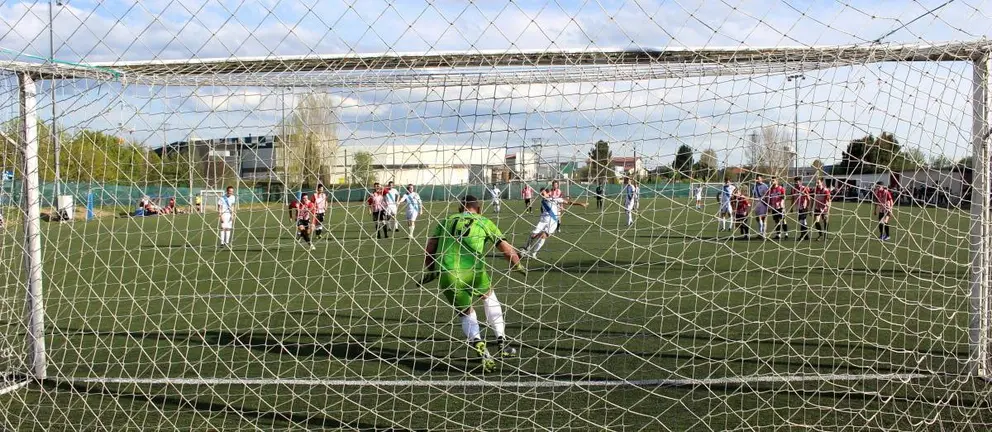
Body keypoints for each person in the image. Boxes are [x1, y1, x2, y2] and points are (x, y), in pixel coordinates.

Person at [420, 195, 525, 372]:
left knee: (465, 312)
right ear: (479, 208)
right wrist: (517, 265)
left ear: (460, 208)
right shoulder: (484, 221)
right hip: (473, 272)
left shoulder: (446, 221)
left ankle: (479, 344)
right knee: (489, 296)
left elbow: (429, 249)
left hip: (447, 275)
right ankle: (502, 341)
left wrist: (431, 270)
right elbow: (505, 248)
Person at [520, 188, 587, 259]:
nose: (541, 195)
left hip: (552, 222)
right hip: (543, 221)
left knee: (543, 236)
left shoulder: (555, 199)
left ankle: (533, 254)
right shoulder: (543, 201)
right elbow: (543, 209)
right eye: (540, 194)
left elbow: (568, 202)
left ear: (548, 193)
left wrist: (581, 204)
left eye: (543, 194)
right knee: (533, 234)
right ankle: (527, 249)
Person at [791, 177, 813, 241]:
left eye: (797, 182)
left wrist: (807, 206)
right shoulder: (794, 189)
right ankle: (806, 236)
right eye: (795, 182)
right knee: (803, 221)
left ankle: (802, 235)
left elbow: (809, 198)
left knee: (802, 221)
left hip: (804, 207)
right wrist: (791, 207)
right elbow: (793, 198)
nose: (796, 183)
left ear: (800, 182)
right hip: (798, 207)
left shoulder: (803, 188)